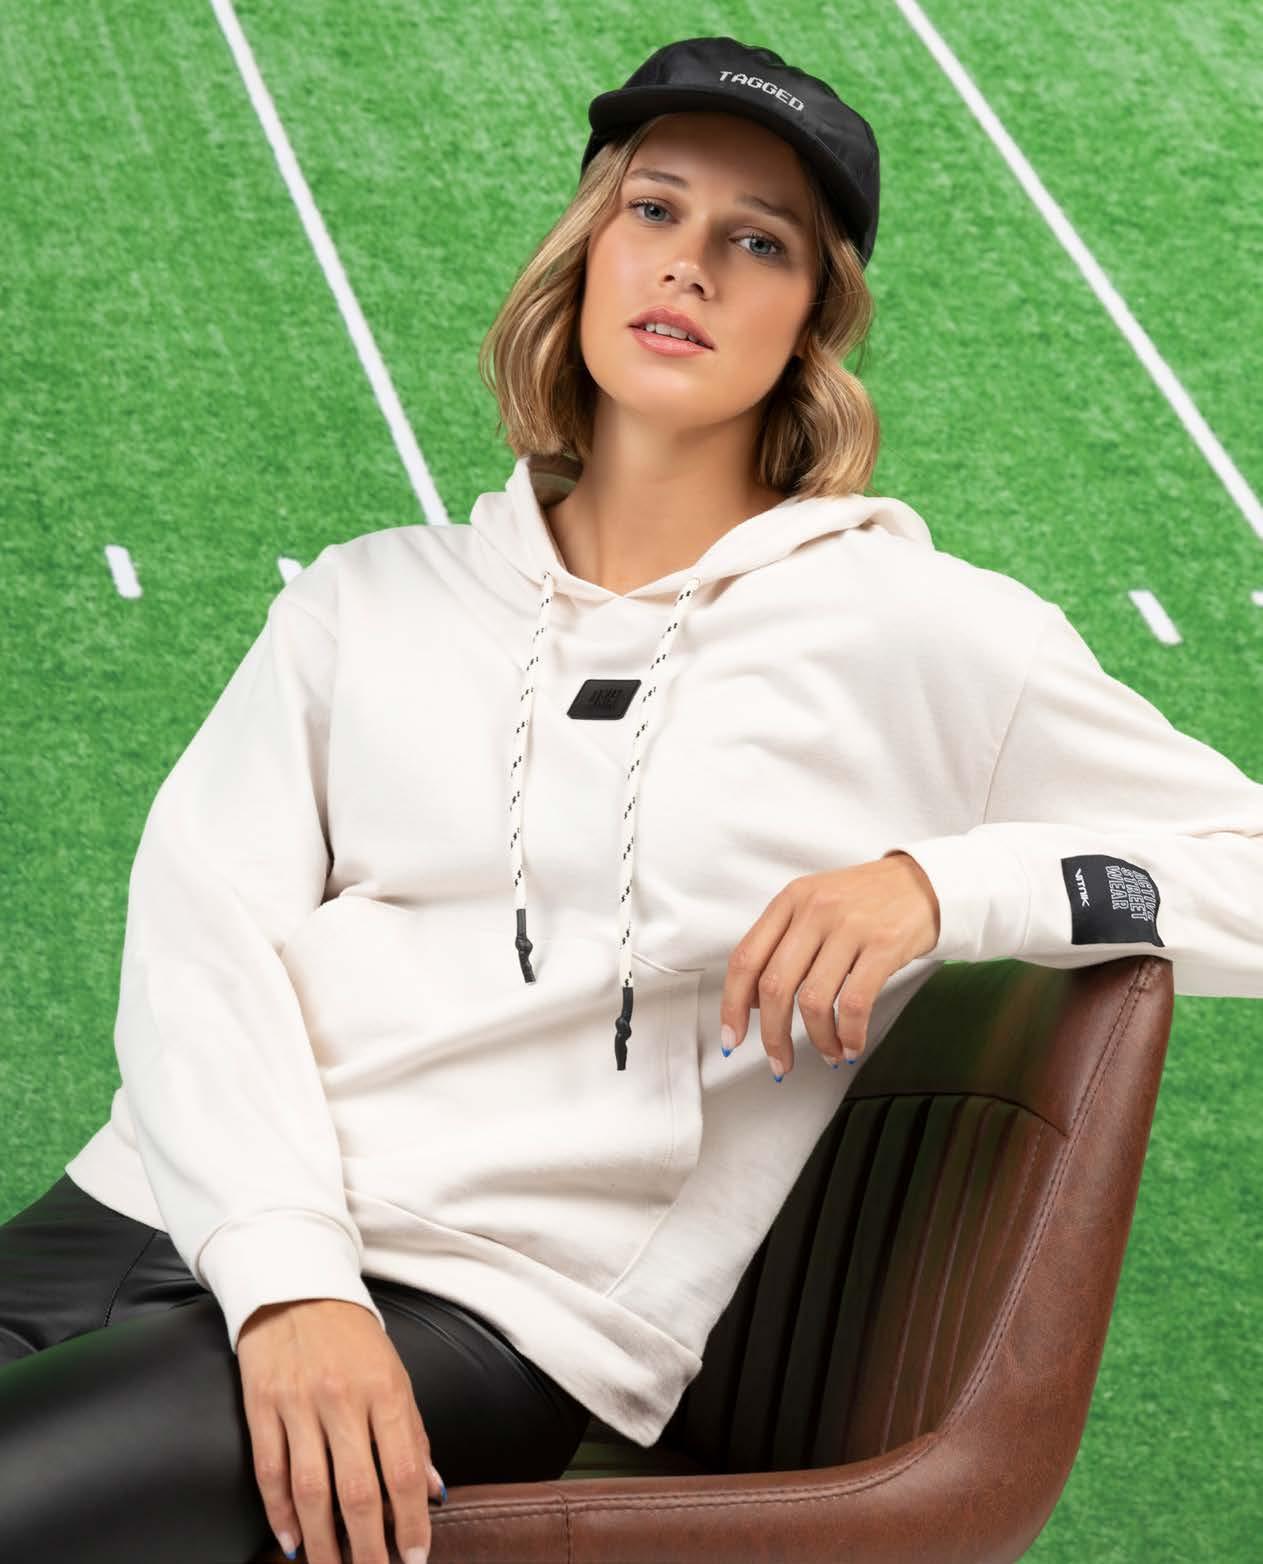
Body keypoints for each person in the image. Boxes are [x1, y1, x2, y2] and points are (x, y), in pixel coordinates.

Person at [4, 32, 1262, 1564]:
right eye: (655, 210)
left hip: (472, 1302)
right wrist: (286, 1274)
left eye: (760, 241)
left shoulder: (918, 631)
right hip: (159, 1208)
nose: (691, 266)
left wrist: (946, 886)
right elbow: (201, 937)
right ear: (589, 249)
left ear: (813, 322)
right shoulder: (363, 599)